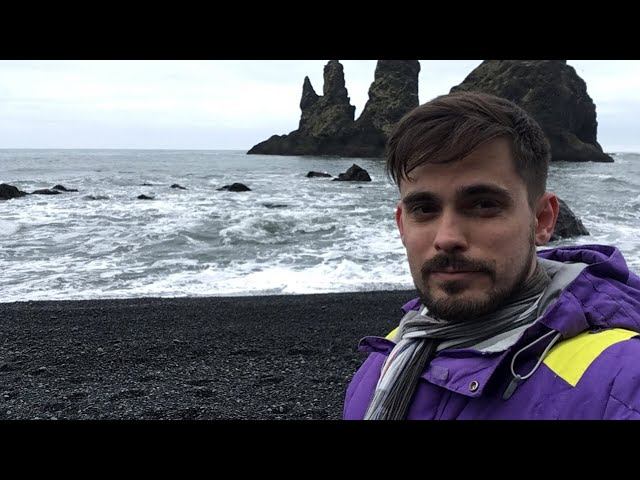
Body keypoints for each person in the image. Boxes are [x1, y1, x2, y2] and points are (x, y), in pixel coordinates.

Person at [343, 91, 640, 420]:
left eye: (484, 205)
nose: (447, 238)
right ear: (402, 224)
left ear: (542, 219)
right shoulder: (386, 355)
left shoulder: (619, 383)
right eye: (424, 209)